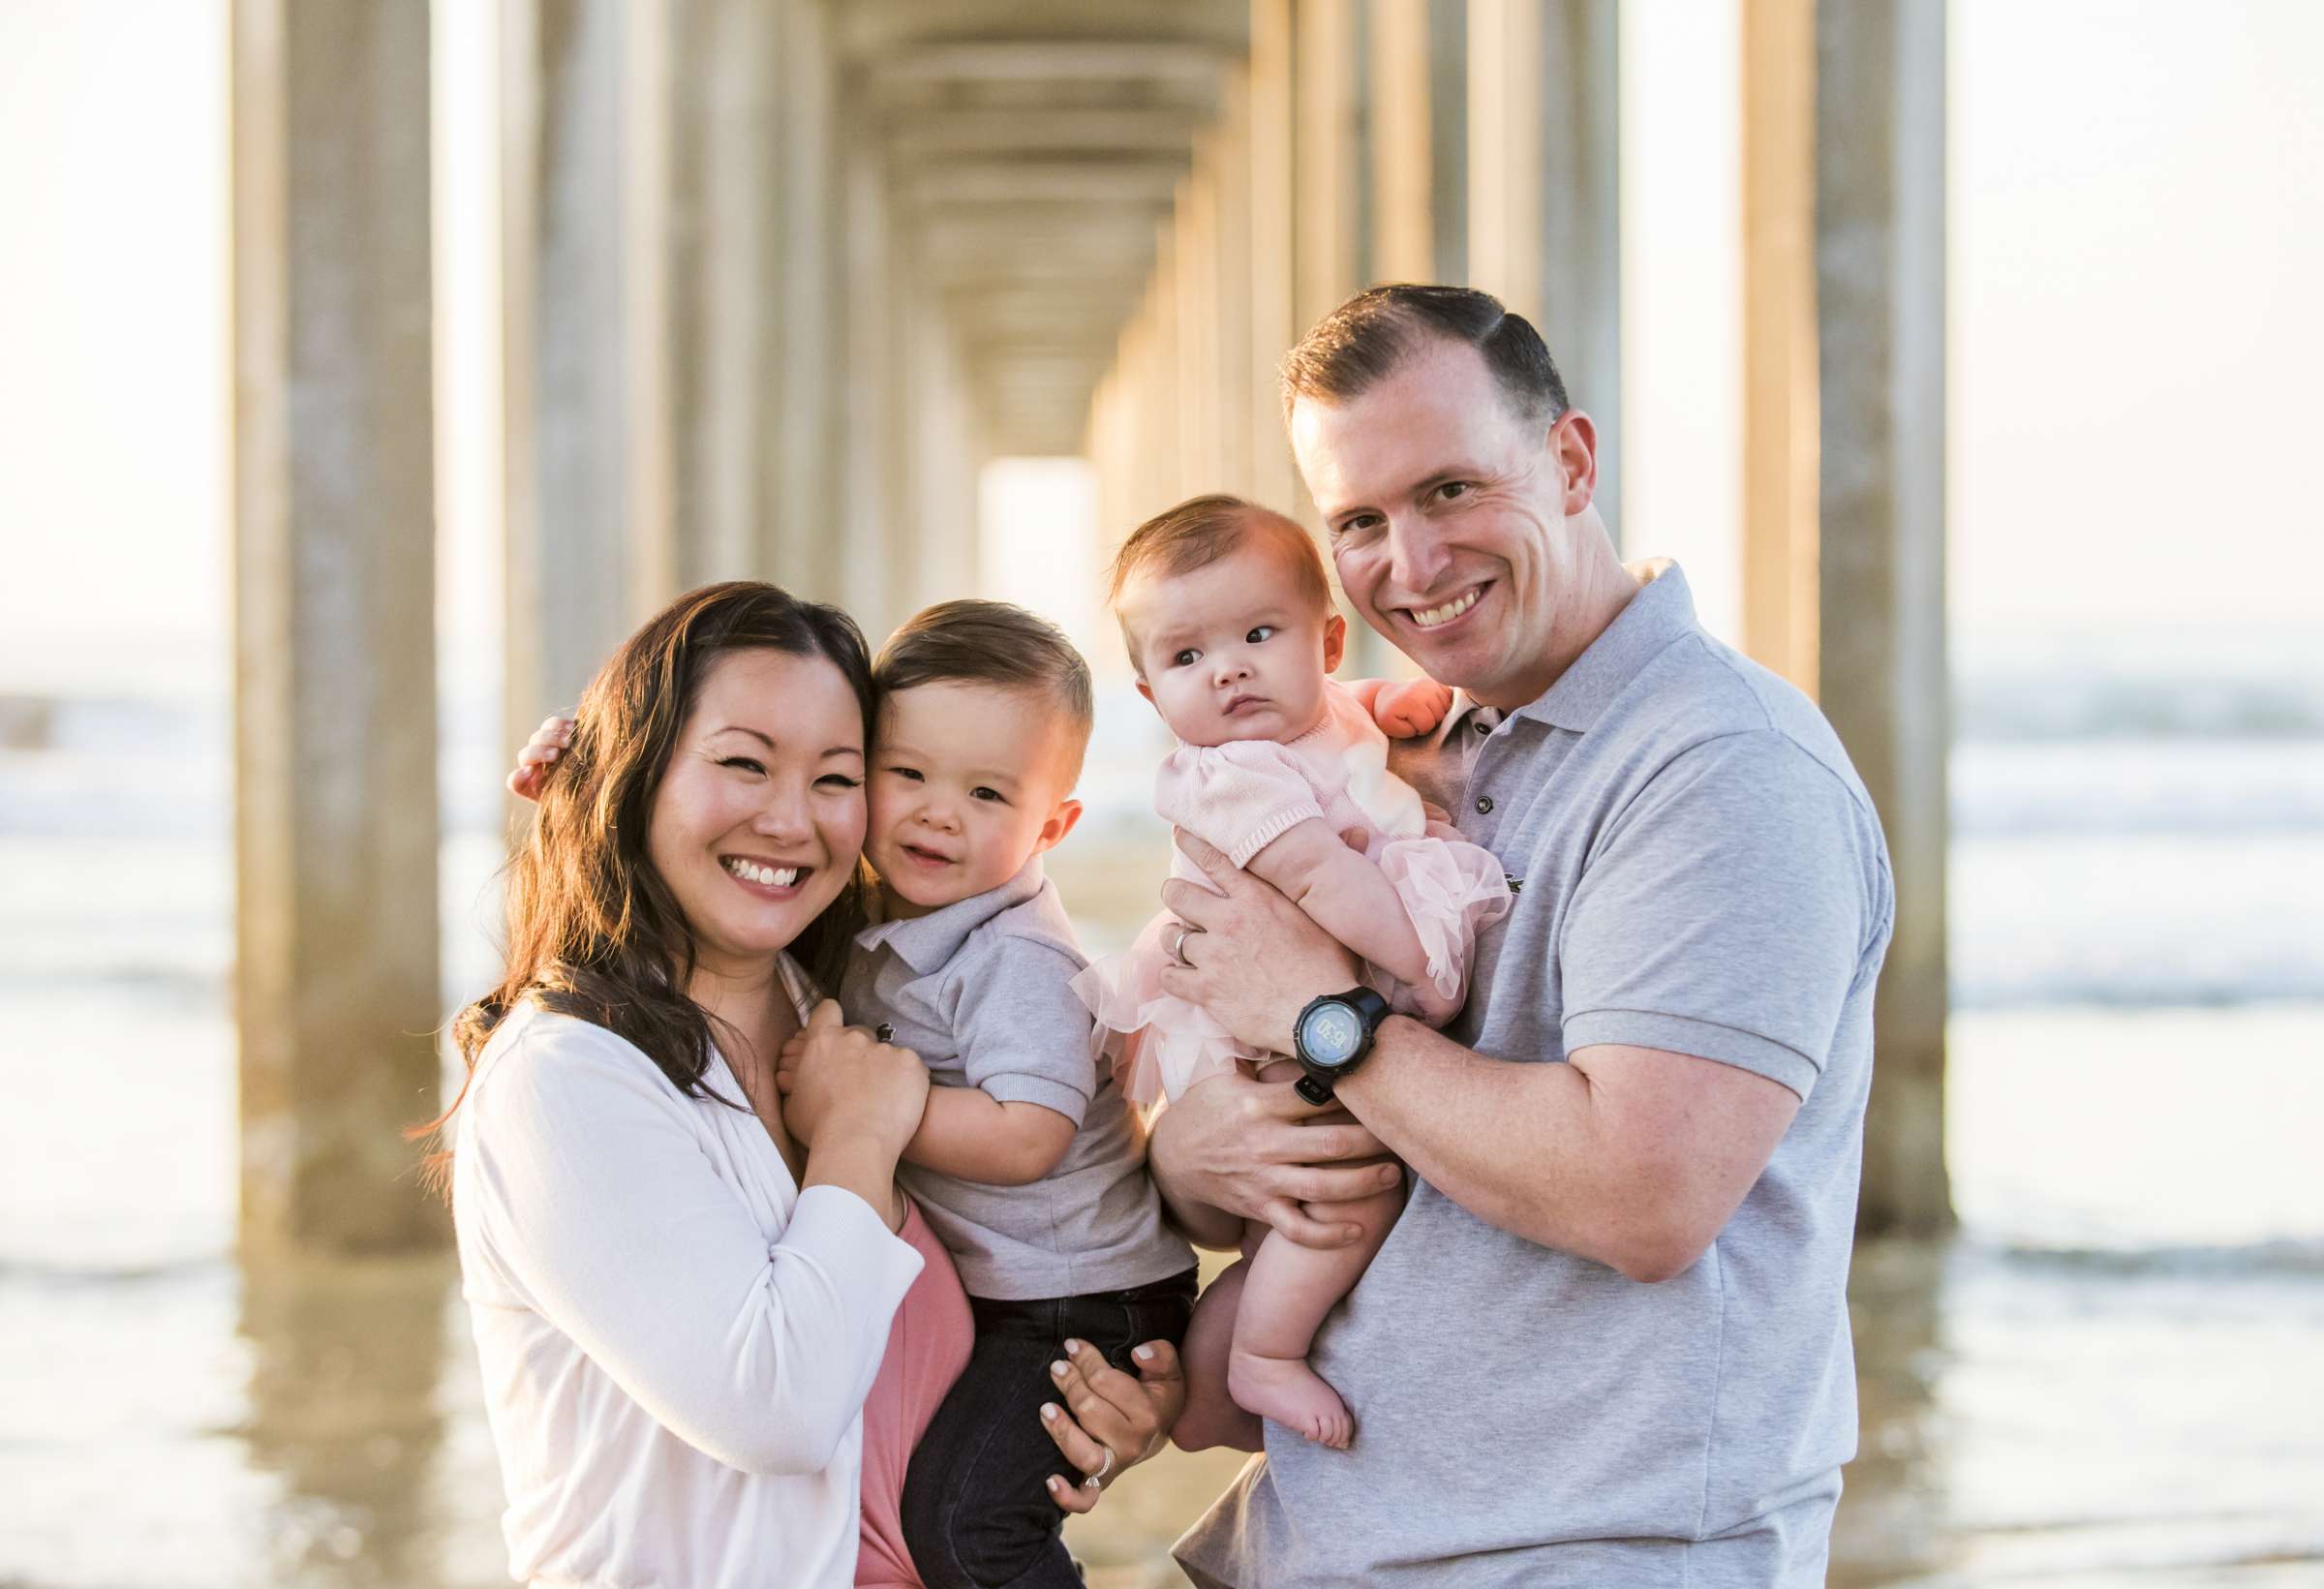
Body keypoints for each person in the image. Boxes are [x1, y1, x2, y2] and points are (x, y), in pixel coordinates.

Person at [1149, 285, 1896, 1585]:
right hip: (1326, 1535)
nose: (1413, 564)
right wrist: (1190, 1152)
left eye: (1450, 491)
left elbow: (1642, 1193)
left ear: (1570, 461)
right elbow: (1327, 1150)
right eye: (1361, 522)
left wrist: (1327, 1021)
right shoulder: (1413, 750)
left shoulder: (1724, 770)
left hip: (1581, 1552)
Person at [445, 582, 1181, 1589]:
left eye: (836, 777)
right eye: (744, 763)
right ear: (640, 773)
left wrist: (1093, 1408)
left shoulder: (847, 1008)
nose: (791, 820)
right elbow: (777, 1411)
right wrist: (855, 1139)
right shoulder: (568, 1077)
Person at [1071, 496, 1508, 1451]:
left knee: (1302, 1215)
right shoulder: (1229, 774)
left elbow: (1352, 720)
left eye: (1259, 635)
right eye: (1185, 658)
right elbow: (1316, 870)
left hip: (1295, 1012)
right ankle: (1266, 1357)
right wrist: (1419, 962)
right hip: (1254, 1032)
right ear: (1148, 694)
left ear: (1328, 642)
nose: (1226, 668)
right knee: (1350, 1197)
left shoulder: (1315, 722)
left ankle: (1213, 1374)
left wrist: (1390, 705)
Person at [787, 598, 1197, 1589]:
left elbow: (1029, 1135)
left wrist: (875, 1108)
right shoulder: (881, 911)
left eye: (985, 794)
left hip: (1083, 1305)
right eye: (909, 774)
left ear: (1052, 824)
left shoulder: (1015, 958)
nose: (937, 813)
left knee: (969, 1529)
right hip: (1017, 1291)